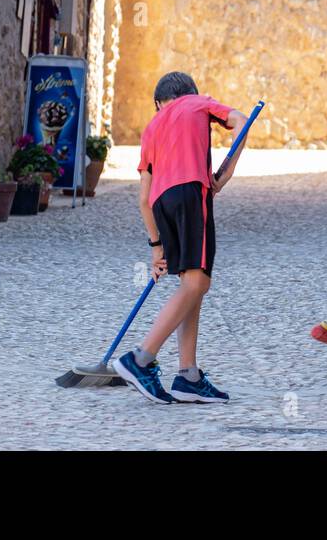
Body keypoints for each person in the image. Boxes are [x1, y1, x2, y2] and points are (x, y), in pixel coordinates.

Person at [113, 72, 247, 404]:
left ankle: (188, 375)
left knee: (191, 283)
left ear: (159, 103)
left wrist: (156, 247)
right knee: (197, 284)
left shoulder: (152, 127)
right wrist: (226, 171)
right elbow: (241, 121)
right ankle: (141, 359)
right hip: (191, 192)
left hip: (162, 204)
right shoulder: (200, 103)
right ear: (190, 93)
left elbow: (143, 199)